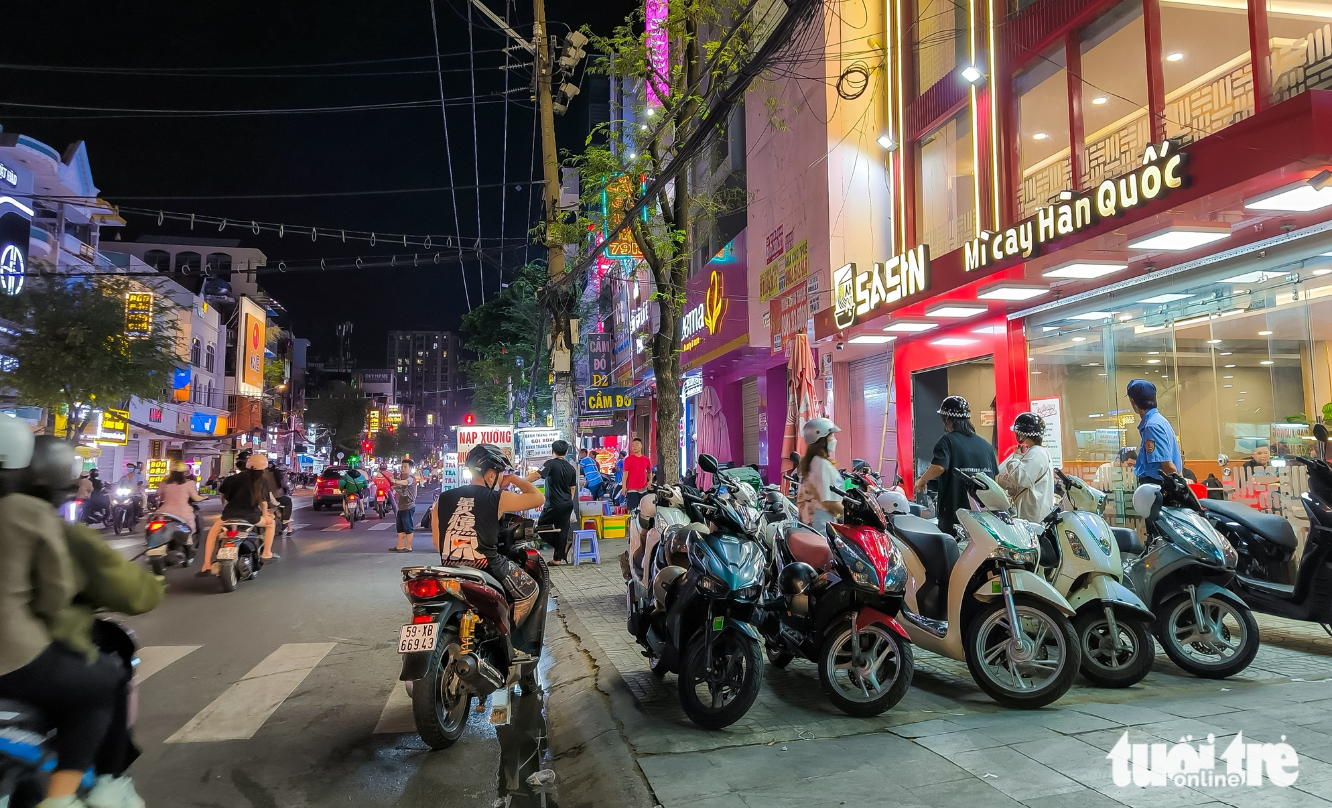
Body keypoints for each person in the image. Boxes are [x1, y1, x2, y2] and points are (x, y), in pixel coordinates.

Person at [0, 419, 154, 808]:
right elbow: (57, 591)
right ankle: (69, 795)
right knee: (102, 685)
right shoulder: (27, 512)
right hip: (14, 655)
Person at [432, 444, 546, 624]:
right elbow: (538, 498)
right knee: (530, 590)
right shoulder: (497, 498)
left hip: (449, 568)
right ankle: (508, 640)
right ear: (491, 475)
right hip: (487, 567)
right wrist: (514, 478)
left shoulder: (442, 499)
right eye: (501, 475)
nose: (501, 480)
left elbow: (438, 542)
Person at [914, 395, 999, 539]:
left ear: (947, 419)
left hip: (955, 515)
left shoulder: (947, 441)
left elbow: (939, 467)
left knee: (953, 553)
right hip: (983, 514)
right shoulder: (985, 445)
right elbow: (995, 478)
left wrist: (922, 480)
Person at [198, 451, 278, 577]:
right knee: (271, 523)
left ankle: (206, 564)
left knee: (212, 534)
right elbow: (264, 502)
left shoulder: (231, 479)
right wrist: (265, 516)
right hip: (252, 517)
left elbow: (223, 497)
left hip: (229, 516)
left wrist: (227, 505)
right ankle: (267, 553)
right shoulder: (261, 481)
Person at [996, 412, 1056, 522]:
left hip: (1031, 516)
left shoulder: (1036, 453)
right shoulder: (1038, 452)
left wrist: (1016, 457)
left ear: (1022, 434)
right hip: (1033, 513)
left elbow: (1022, 478)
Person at [528, 440, 577, 564]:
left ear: (552, 451)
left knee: (541, 527)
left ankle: (562, 547)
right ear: (566, 452)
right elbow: (572, 488)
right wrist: (568, 501)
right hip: (567, 503)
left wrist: (522, 482)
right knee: (562, 529)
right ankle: (557, 558)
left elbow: (537, 475)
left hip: (554, 504)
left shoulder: (550, 464)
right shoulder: (571, 467)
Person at [1127, 379, 1181, 486]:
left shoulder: (1151, 426)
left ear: (1132, 401)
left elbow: (1167, 465)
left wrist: (1178, 489)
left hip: (1157, 486)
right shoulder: (1159, 420)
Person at [795, 418, 844, 533]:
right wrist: (849, 514)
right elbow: (828, 501)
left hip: (810, 522)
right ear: (821, 438)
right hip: (822, 523)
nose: (834, 439)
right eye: (831, 436)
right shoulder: (822, 465)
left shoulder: (811, 462)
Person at [390, 459, 420, 553]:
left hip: (408, 506)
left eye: (405, 467)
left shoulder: (411, 477)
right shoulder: (401, 477)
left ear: (410, 468)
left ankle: (408, 547)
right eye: (402, 467)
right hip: (401, 506)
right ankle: (400, 546)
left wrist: (395, 481)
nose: (402, 469)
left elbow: (406, 483)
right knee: (400, 527)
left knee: (408, 527)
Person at [622, 437, 653, 510]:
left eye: (636, 444)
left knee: (644, 510)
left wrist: (650, 481)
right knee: (633, 510)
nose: (634, 447)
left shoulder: (646, 459)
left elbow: (649, 471)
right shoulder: (628, 460)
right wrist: (624, 486)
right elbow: (625, 474)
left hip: (644, 488)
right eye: (633, 445)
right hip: (632, 488)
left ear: (641, 446)